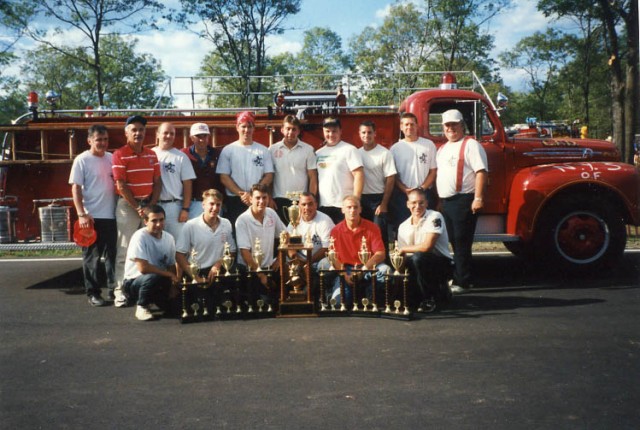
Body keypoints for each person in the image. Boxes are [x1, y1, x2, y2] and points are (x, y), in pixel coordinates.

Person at [436, 109, 488, 293]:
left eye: (454, 124)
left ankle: (462, 281)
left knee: (461, 241)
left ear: (462, 125)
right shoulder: (442, 148)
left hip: (464, 199)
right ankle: (460, 276)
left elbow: (481, 172)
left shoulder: (471, 145)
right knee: (453, 241)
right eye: (447, 125)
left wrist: (478, 198)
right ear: (443, 127)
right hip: (447, 202)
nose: (451, 129)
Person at [112, 115, 161, 306]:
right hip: (128, 206)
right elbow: (121, 185)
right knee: (125, 250)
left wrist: (150, 207)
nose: (138, 133)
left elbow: (157, 182)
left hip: (147, 206)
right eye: (134, 130)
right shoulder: (119, 154)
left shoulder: (151, 154)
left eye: (141, 130)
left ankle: (145, 291)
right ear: (127, 133)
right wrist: (138, 207)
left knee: (148, 250)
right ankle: (119, 291)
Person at [69, 124, 117, 306]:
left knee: (113, 256)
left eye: (105, 139)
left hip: (111, 216)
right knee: (92, 258)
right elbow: (76, 188)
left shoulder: (112, 158)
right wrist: (81, 214)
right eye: (99, 139)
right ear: (90, 140)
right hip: (90, 218)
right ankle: (93, 293)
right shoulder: (82, 160)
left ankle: (114, 290)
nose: (103, 143)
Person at [319, 195, 389, 306]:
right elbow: (333, 258)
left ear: (360, 209)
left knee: (385, 270)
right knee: (338, 304)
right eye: (349, 207)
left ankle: (370, 295)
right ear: (342, 209)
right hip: (345, 269)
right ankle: (331, 292)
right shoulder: (336, 231)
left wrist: (363, 270)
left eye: (355, 207)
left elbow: (380, 254)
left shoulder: (372, 227)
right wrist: (344, 275)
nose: (352, 210)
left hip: (367, 268)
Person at [396, 188, 453, 311]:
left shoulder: (435, 217)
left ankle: (429, 299)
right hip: (417, 263)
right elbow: (403, 256)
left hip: (441, 263)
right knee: (408, 300)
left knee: (418, 257)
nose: (417, 206)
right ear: (407, 204)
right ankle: (439, 292)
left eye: (421, 203)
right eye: (413, 203)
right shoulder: (403, 226)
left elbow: (427, 247)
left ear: (427, 203)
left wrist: (404, 249)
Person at [121, 205, 178, 321]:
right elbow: (143, 268)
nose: (158, 224)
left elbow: (172, 265)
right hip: (134, 283)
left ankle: (157, 302)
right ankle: (142, 306)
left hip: (159, 280)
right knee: (152, 277)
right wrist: (170, 275)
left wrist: (173, 286)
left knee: (176, 308)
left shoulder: (169, 238)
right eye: (154, 221)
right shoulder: (139, 237)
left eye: (161, 220)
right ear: (145, 221)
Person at [217, 111, 274, 227]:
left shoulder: (263, 150)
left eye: (249, 126)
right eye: (243, 126)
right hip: (235, 200)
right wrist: (242, 195)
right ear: (237, 127)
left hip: (257, 200)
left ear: (254, 128)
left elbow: (269, 175)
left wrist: (253, 194)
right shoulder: (228, 150)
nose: (246, 130)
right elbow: (223, 177)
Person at [235, 183, 287, 304]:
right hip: (250, 271)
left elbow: (286, 236)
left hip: (269, 268)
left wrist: (279, 259)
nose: (261, 201)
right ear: (250, 199)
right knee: (261, 304)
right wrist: (261, 275)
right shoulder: (242, 220)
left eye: (264, 197)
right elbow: (244, 252)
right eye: (258, 198)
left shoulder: (271, 213)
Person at [175, 189, 236, 283]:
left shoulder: (226, 223)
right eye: (211, 204)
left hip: (218, 271)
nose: (215, 208)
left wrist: (218, 265)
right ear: (203, 205)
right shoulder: (190, 225)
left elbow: (231, 251)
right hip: (198, 272)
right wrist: (195, 276)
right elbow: (179, 255)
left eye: (218, 205)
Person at [390, 112, 437, 228]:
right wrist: (405, 189)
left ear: (417, 126)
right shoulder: (395, 149)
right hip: (403, 195)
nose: (409, 127)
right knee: (404, 226)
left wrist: (422, 188)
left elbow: (433, 171)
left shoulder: (428, 145)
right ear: (401, 127)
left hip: (425, 193)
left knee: (426, 226)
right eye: (406, 125)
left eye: (412, 124)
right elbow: (393, 175)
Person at [269, 115, 318, 222]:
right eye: (288, 129)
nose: (290, 132)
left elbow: (313, 177)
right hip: (278, 201)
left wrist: (310, 201)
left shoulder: (308, 150)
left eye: (293, 129)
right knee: (281, 236)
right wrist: (269, 198)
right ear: (282, 129)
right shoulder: (272, 150)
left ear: (299, 131)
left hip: (301, 200)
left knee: (300, 236)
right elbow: (268, 176)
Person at [315, 117, 364, 224]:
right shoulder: (318, 153)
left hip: (344, 206)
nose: (331, 134)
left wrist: (355, 200)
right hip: (324, 205)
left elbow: (359, 174)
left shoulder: (349, 150)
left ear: (340, 131)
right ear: (323, 132)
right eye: (327, 131)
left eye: (334, 131)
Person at [152, 122, 196, 240]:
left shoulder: (181, 157)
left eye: (172, 134)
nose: (168, 136)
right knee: (154, 241)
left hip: (174, 207)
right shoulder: (150, 154)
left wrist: (185, 209)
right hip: (153, 206)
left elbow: (188, 184)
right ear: (157, 134)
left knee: (177, 243)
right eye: (165, 133)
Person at [357, 120, 396, 246]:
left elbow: (390, 179)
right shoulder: (356, 153)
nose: (366, 135)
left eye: (369, 132)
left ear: (375, 134)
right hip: (361, 199)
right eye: (363, 132)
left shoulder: (384, 153)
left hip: (378, 199)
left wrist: (384, 203)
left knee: (379, 235)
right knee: (363, 237)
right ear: (359, 134)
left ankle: (384, 265)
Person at [181, 122, 224, 219]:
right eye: (198, 136)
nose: (202, 139)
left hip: (214, 204)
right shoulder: (184, 154)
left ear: (209, 137)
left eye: (204, 136)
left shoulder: (218, 154)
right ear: (191, 137)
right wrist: (185, 208)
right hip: (193, 203)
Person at [286, 192, 335, 275]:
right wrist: (296, 259)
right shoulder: (294, 220)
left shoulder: (325, 221)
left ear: (316, 205)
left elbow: (327, 248)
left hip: (319, 259)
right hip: (299, 258)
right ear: (299, 206)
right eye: (303, 204)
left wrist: (308, 263)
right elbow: (288, 243)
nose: (307, 208)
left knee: (324, 265)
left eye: (310, 204)